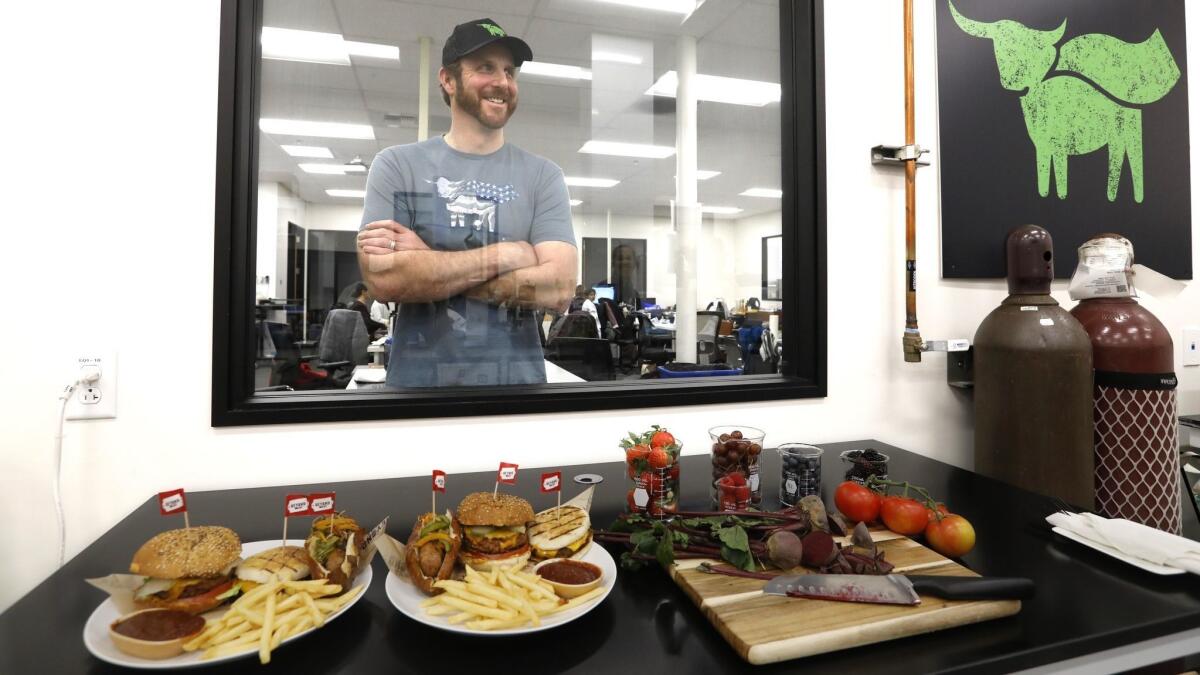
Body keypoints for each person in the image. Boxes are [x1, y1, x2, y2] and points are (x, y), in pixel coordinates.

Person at [356, 18, 578, 388]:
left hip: (518, 392)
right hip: (417, 390)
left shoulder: (543, 176)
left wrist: (428, 264)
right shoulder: (397, 165)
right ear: (448, 79)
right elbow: (385, 279)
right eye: (485, 67)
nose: (502, 82)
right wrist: (511, 254)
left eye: (509, 71)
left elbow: (558, 288)